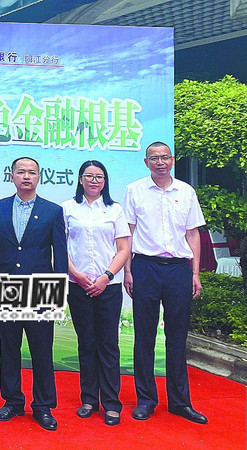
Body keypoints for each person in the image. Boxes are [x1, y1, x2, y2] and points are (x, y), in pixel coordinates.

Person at [123, 141, 208, 424]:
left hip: (178, 270)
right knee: (144, 336)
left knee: (177, 336)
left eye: (164, 157)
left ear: (172, 160)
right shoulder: (134, 190)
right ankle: (146, 400)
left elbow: (193, 234)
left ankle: (180, 402)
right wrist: (128, 271)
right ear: (146, 162)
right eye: (154, 158)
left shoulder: (186, 191)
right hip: (145, 266)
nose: (160, 162)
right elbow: (128, 233)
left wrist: (195, 273)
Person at [0, 156, 67, 431]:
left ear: (39, 177)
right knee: (9, 348)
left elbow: (60, 253)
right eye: (21, 172)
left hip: (41, 289)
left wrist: (59, 291)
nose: (26, 176)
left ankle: (43, 406)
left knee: (42, 349)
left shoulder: (53, 211)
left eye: (31, 172)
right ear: (11, 175)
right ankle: (12, 401)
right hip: (7, 287)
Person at [61, 160, 131, 426]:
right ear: (80, 179)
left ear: (105, 181)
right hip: (77, 284)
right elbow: (61, 246)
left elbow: (123, 249)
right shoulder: (68, 208)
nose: (94, 180)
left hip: (108, 287)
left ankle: (111, 403)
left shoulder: (115, 209)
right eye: (89, 176)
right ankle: (89, 399)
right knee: (86, 343)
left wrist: (106, 276)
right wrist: (76, 274)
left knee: (109, 344)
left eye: (99, 176)